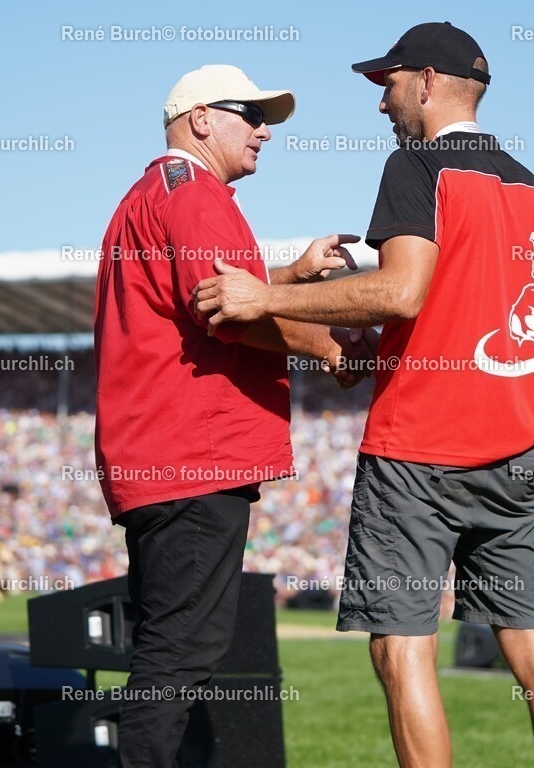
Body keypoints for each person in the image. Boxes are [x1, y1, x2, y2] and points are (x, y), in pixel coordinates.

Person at [194, 23, 534, 768]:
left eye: (390, 84)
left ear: (429, 83)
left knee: (402, 651)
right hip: (513, 447)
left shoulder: (417, 167)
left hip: (421, 448)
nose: (383, 104)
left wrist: (262, 299)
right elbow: (475, 308)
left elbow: (401, 293)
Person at [93, 64, 370, 767]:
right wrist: (329, 346)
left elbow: (212, 292)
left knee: (177, 647)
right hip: (192, 456)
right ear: (201, 119)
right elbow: (226, 311)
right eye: (248, 113)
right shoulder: (196, 197)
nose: (265, 129)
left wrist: (292, 279)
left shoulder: (156, 194)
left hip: (164, 455)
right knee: (178, 655)